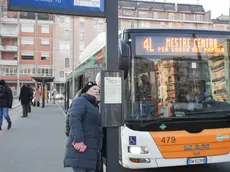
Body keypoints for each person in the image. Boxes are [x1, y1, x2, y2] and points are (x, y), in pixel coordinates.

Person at [64, 81, 102, 172]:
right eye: (94, 89)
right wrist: (78, 140)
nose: (97, 91)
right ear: (86, 91)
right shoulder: (80, 101)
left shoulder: (94, 105)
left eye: (98, 90)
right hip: (82, 148)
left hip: (91, 149)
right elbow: (74, 120)